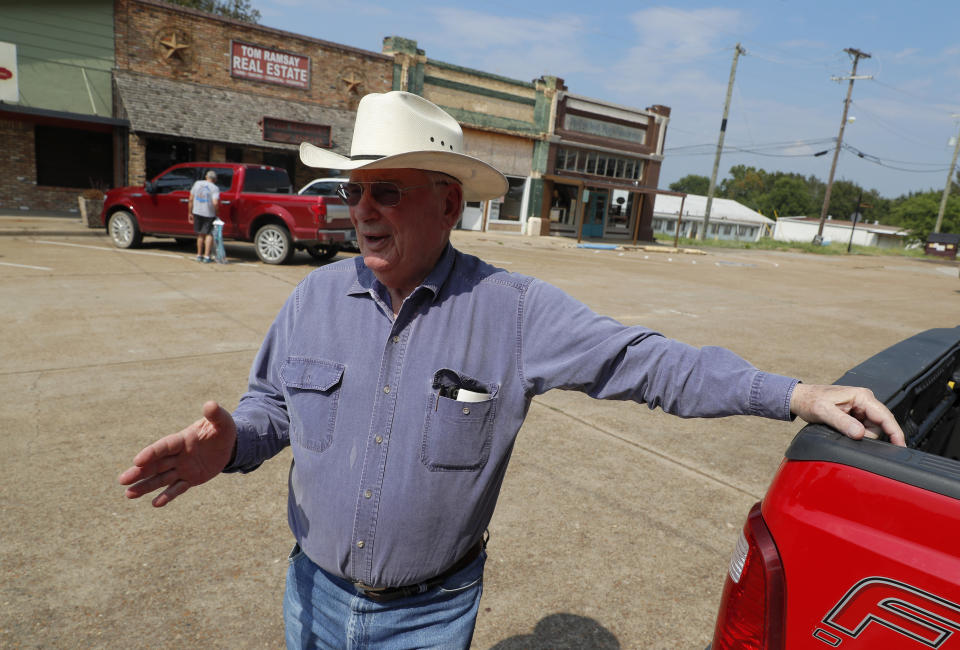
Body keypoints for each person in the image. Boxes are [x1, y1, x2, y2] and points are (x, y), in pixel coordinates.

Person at [119, 91, 905, 649]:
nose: (361, 211)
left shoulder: (515, 310)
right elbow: (272, 408)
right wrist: (231, 446)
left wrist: (794, 393)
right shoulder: (313, 299)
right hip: (312, 599)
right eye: (355, 190)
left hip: (429, 619)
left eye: (386, 192)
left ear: (448, 203)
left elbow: (648, 362)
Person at [188, 170, 220, 263]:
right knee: (209, 234)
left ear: (206, 177)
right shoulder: (215, 188)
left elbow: (190, 199)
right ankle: (206, 256)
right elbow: (215, 202)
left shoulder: (197, 183)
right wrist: (217, 212)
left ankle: (199, 255)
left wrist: (190, 213)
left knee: (200, 234)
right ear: (215, 179)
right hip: (209, 213)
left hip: (197, 211)